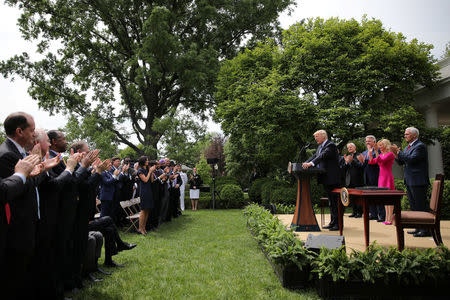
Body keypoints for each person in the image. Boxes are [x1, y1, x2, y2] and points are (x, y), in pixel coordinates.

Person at [391, 127, 431, 237]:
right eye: (405, 134)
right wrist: (396, 154)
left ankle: (426, 229)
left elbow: (412, 159)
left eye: (407, 134)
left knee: (420, 206)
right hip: (409, 180)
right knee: (414, 206)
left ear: (414, 135)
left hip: (418, 181)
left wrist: (399, 151)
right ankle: (418, 227)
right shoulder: (408, 147)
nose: (405, 136)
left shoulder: (420, 146)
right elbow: (401, 162)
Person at [302, 130, 340, 231]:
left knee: (335, 202)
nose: (315, 139)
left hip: (332, 178)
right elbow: (314, 156)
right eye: (315, 137)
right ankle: (333, 222)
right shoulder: (320, 146)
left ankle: (338, 224)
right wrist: (304, 163)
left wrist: (310, 164)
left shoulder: (330, 145)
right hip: (326, 178)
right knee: (331, 202)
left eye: (317, 136)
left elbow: (321, 156)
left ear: (323, 136)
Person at [357, 135, 386, 222]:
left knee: (378, 196)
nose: (367, 143)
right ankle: (373, 214)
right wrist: (361, 162)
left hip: (376, 176)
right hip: (367, 176)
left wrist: (370, 155)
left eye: (369, 141)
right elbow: (362, 166)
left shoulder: (379, 151)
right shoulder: (364, 152)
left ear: (374, 142)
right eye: (366, 141)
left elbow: (379, 162)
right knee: (370, 196)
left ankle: (382, 215)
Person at [368, 139, 395, 224]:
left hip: (387, 177)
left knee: (390, 199)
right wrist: (370, 153)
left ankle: (390, 218)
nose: (380, 147)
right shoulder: (381, 154)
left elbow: (382, 161)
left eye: (381, 145)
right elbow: (372, 162)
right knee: (385, 199)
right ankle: (387, 218)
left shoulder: (390, 154)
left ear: (386, 145)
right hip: (381, 177)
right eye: (379, 145)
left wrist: (376, 151)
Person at [340, 142, 364, 218]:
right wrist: (346, 162)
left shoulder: (359, 155)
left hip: (358, 179)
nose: (349, 148)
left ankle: (359, 213)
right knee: (352, 197)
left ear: (355, 147)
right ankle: (354, 212)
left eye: (351, 147)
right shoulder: (348, 156)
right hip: (349, 180)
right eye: (348, 147)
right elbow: (344, 168)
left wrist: (352, 161)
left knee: (358, 197)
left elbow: (361, 166)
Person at [137, 156, 155, 235]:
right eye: (147, 160)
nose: (148, 161)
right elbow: (145, 180)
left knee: (147, 210)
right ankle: (140, 228)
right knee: (143, 210)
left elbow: (151, 180)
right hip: (144, 191)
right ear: (143, 162)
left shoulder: (147, 169)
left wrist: (151, 172)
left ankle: (144, 227)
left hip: (149, 190)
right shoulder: (140, 170)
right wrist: (150, 172)